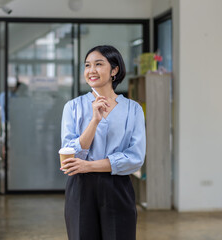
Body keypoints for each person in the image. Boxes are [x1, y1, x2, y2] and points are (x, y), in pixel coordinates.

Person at [60, 45, 146, 240]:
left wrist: (88, 165)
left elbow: (135, 158)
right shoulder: (72, 107)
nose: (91, 70)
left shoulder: (133, 110)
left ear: (114, 70)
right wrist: (94, 121)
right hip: (81, 187)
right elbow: (69, 156)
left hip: (117, 186)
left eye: (99, 64)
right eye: (87, 65)